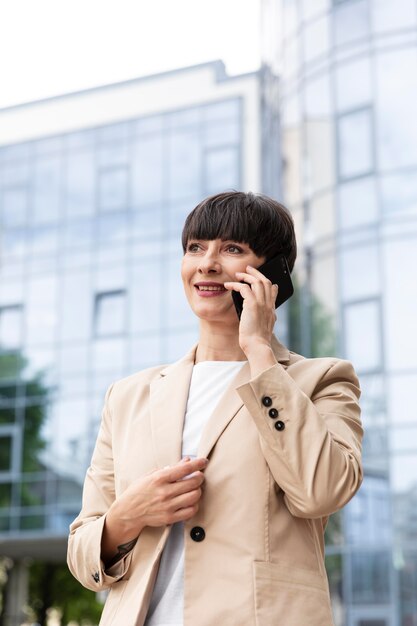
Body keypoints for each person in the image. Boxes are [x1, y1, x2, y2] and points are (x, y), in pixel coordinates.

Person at [67, 191, 363, 626]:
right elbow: (82, 554)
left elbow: (322, 490)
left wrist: (259, 352)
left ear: (272, 274)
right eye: (195, 248)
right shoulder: (128, 396)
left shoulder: (320, 380)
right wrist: (127, 516)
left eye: (232, 249)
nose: (206, 263)